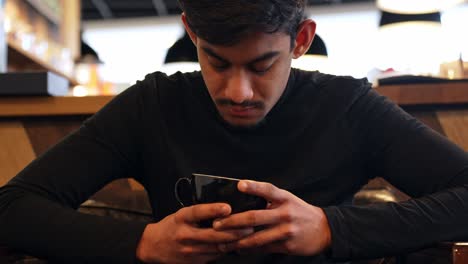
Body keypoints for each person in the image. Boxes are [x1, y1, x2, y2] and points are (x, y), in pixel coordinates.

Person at [1, 0, 468, 263]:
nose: (238, 91)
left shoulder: (346, 105)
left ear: (301, 41)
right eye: (216, 62)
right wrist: (141, 243)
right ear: (191, 34)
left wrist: (332, 228)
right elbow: (12, 208)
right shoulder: (154, 105)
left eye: (262, 65)